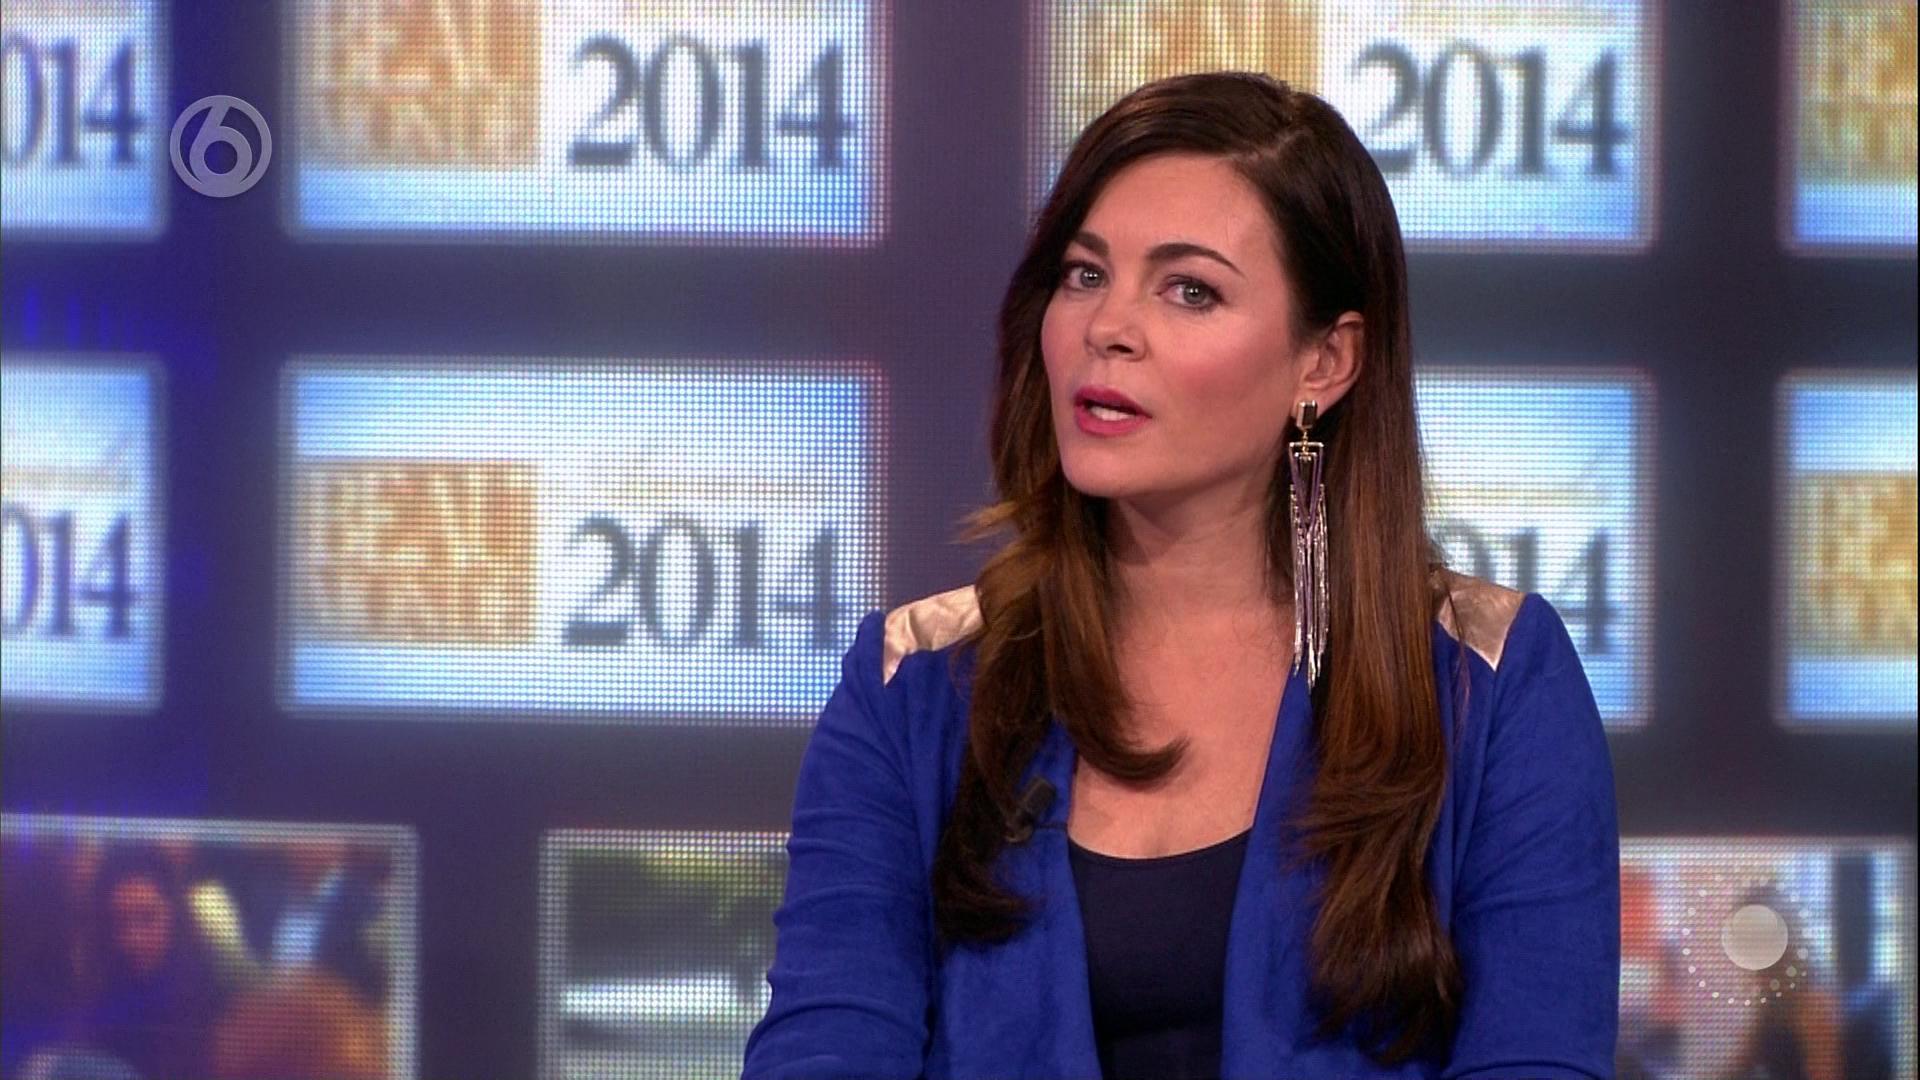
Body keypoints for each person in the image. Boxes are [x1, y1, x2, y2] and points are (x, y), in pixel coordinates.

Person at [743, 72, 1620, 1079]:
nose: (1108, 327)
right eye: (1084, 274)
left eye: (1189, 289)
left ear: (1325, 364)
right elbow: (827, 1046)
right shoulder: (916, 685)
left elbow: (1535, 1056)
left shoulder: (1488, 680)